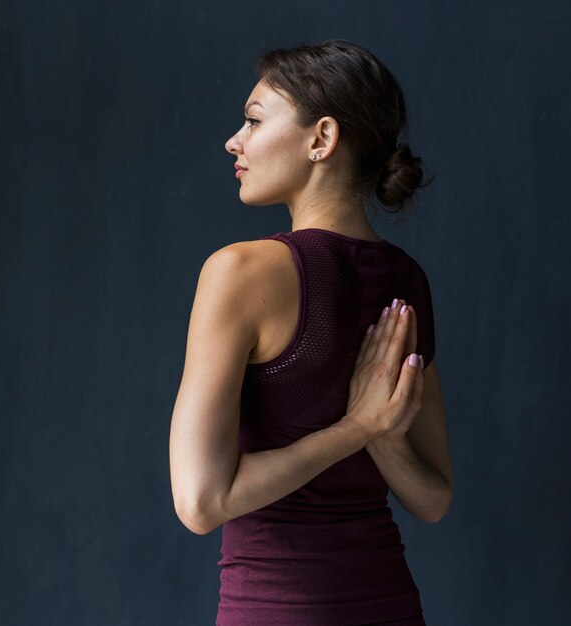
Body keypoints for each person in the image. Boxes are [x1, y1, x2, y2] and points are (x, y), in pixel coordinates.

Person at [169, 39, 453, 626]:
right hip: (392, 604)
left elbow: (200, 503)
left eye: (252, 119)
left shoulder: (239, 272)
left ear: (321, 139)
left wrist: (364, 426)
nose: (233, 140)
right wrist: (367, 429)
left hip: (278, 610)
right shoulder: (404, 279)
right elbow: (433, 498)